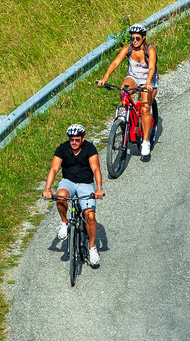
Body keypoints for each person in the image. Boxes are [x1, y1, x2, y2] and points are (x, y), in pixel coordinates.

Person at [43, 123, 104, 267]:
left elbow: (96, 169)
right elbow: (54, 168)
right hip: (68, 181)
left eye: (77, 139)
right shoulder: (62, 148)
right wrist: (47, 188)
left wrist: (99, 188)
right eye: (72, 139)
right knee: (60, 196)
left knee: (90, 215)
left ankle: (92, 247)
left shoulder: (90, 148)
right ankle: (64, 223)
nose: (74, 142)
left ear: (82, 139)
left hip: (85, 184)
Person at [97, 23, 158, 156]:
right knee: (123, 91)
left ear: (143, 38)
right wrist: (105, 77)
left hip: (149, 80)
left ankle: (146, 140)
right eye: (132, 38)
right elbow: (115, 62)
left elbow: (152, 67)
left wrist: (148, 82)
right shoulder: (128, 48)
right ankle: (125, 116)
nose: (134, 41)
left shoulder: (150, 50)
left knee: (145, 109)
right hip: (133, 77)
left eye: (137, 38)